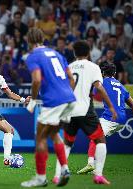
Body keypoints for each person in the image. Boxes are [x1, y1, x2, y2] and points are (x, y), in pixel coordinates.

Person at [53, 41, 117, 185]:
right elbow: (99, 87)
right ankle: (98, 175)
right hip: (85, 109)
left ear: (74, 53)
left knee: (67, 144)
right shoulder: (93, 67)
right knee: (100, 140)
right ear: (88, 52)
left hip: (69, 110)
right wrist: (111, 106)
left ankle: (57, 175)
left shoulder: (68, 67)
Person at [21, 28, 76, 187]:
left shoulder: (33, 57)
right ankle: (64, 169)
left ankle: (40, 177)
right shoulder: (57, 54)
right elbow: (71, 78)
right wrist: (65, 94)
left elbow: (37, 80)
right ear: (43, 40)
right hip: (69, 99)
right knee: (53, 134)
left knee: (40, 138)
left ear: (29, 41)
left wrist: (33, 99)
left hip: (54, 101)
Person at [77, 61, 133, 175]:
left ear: (102, 72)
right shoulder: (121, 86)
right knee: (99, 139)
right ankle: (95, 166)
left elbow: (91, 95)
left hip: (110, 118)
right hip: (123, 120)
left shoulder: (101, 82)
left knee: (95, 136)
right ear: (115, 73)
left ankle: (90, 164)